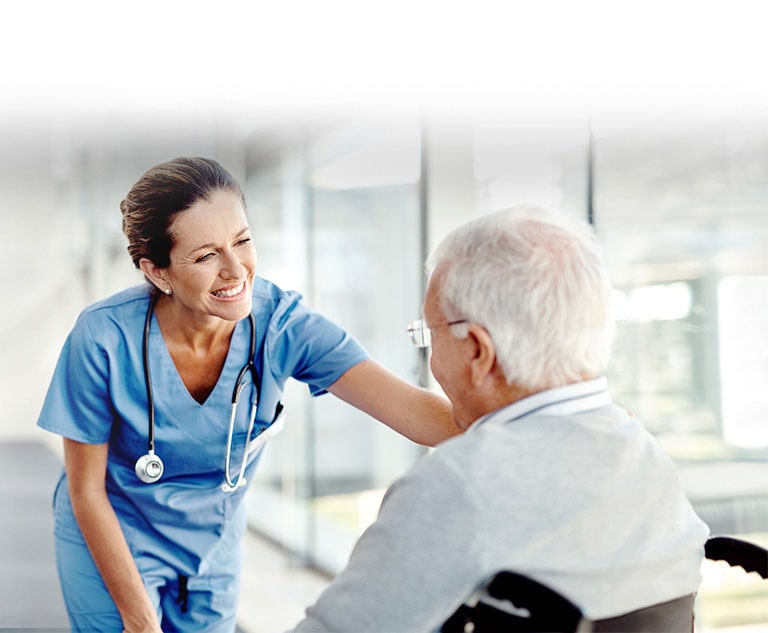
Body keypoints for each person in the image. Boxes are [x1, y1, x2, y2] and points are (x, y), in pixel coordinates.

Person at [36, 157, 458, 633]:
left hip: (213, 541)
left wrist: (529, 405)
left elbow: (413, 413)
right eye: (205, 256)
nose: (236, 270)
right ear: (158, 274)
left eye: (242, 241)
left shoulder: (282, 324)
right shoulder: (102, 337)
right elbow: (85, 490)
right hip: (115, 529)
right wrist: (139, 619)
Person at [289, 207, 710, 632]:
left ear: (476, 350)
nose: (430, 357)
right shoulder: (646, 455)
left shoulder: (457, 484)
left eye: (428, 335)